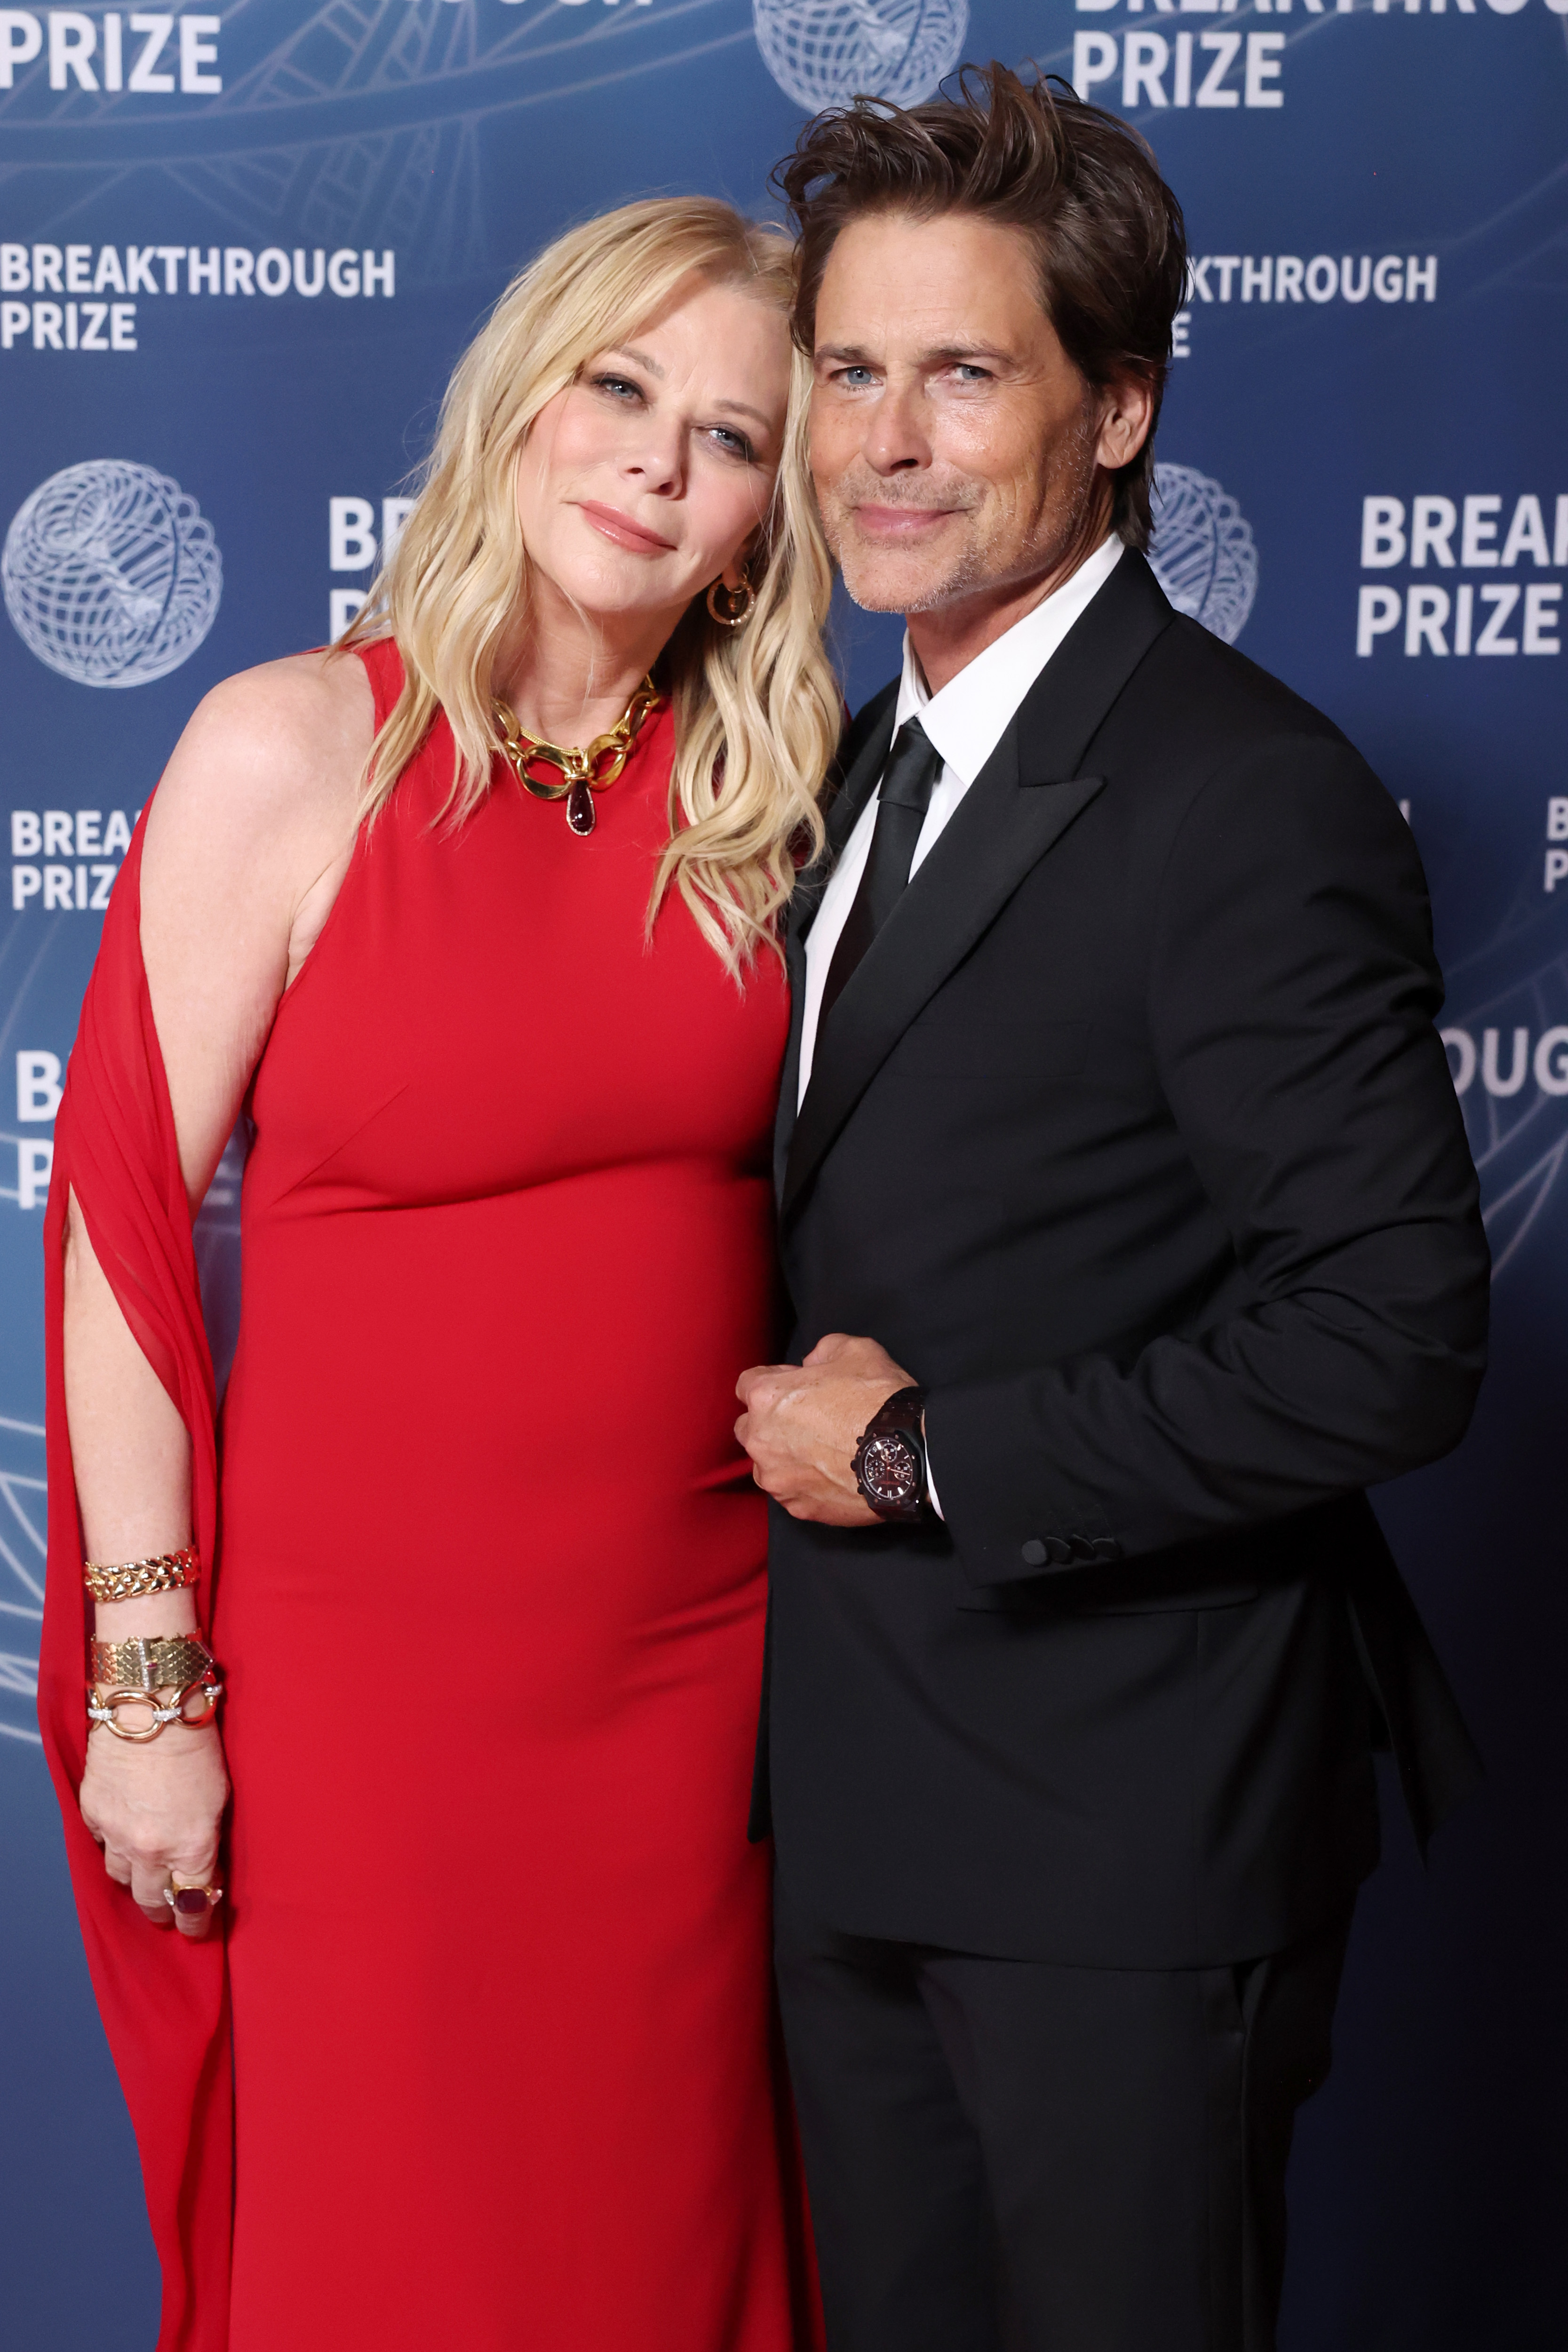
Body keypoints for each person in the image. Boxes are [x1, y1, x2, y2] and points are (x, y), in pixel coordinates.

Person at [40, 196, 840, 2352]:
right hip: (358, 1714)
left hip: (702, 1696)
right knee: (383, 2256)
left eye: (733, 435)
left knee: (662, 2247)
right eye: (620, 389)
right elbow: (119, 1223)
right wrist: (150, 1685)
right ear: (519, 406)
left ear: (769, 524)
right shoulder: (290, 748)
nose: (661, 461)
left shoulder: (786, 809)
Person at [735, 68, 1489, 2352]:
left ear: (1124, 407)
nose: (886, 441)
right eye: (851, 371)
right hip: (859, 1817)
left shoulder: (1241, 793)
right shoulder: (870, 754)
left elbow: (1393, 1332)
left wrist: (926, 1451)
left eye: (965, 375)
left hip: (1121, 1847)